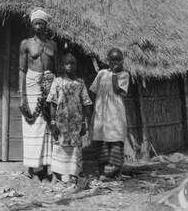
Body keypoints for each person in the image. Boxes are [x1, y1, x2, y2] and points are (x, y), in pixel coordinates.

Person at [19, 7, 59, 180]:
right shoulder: (26, 43)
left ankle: (46, 167)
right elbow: (21, 70)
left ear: (46, 25)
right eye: (35, 23)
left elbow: (55, 68)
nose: (38, 27)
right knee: (32, 124)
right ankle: (30, 167)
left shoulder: (52, 45)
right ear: (32, 25)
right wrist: (22, 95)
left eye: (41, 23)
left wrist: (56, 87)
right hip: (31, 83)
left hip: (49, 81)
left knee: (48, 122)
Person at [47, 53, 93, 184]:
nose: (70, 66)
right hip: (61, 122)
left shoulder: (80, 83)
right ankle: (56, 176)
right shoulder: (57, 82)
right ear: (62, 66)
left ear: (76, 66)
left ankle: (74, 175)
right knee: (58, 146)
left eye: (72, 63)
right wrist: (53, 122)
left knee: (75, 148)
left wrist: (85, 123)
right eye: (67, 63)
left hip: (76, 123)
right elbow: (52, 102)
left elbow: (87, 103)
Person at [89, 48, 129, 181]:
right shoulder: (101, 73)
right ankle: (101, 172)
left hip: (116, 114)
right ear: (108, 60)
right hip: (101, 113)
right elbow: (94, 90)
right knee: (101, 142)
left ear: (122, 61)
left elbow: (119, 90)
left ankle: (117, 173)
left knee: (116, 141)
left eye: (118, 60)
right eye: (113, 60)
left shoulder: (124, 75)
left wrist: (113, 75)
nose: (116, 62)